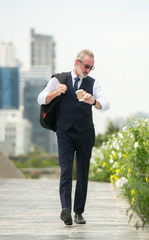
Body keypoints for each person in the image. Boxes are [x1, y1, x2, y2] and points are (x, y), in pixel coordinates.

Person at [37, 49, 110, 225]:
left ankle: (78, 212)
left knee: (83, 172)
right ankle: (66, 210)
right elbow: (41, 98)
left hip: (85, 133)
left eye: (91, 68)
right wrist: (56, 92)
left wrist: (92, 101)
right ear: (77, 63)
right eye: (86, 66)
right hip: (65, 132)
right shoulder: (59, 79)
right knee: (66, 170)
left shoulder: (93, 83)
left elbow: (106, 104)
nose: (88, 70)